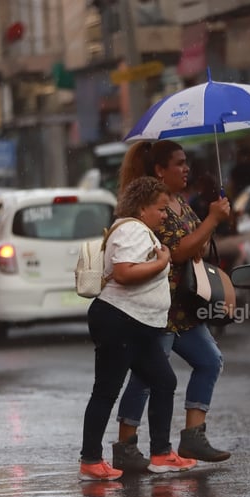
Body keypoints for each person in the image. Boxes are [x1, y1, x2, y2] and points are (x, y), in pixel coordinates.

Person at [112, 140, 233, 472]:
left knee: (210, 360)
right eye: (178, 163)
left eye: (186, 162)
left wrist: (212, 221)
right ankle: (126, 445)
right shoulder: (150, 209)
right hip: (158, 309)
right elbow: (179, 251)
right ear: (159, 170)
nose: (186, 169)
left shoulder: (180, 203)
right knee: (149, 376)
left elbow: (197, 247)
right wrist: (211, 220)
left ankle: (193, 435)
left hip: (185, 308)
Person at [79, 176, 197, 481]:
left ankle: (161, 454)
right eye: (160, 209)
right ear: (142, 208)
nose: (165, 215)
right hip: (120, 321)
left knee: (163, 381)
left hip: (139, 324)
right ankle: (90, 460)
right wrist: (161, 263)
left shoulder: (141, 229)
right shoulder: (132, 229)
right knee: (106, 390)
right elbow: (124, 273)